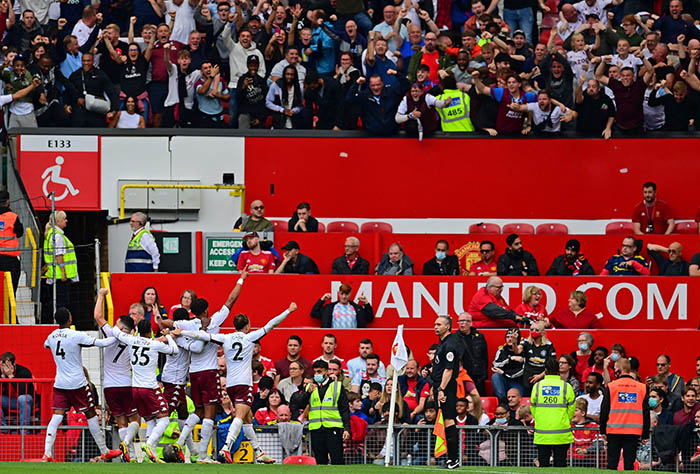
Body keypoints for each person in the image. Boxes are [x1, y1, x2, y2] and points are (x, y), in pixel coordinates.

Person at [176, 302, 296, 463]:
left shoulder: (225, 338)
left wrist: (181, 332)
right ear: (247, 326)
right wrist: (288, 310)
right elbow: (271, 324)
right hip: (244, 384)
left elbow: (203, 336)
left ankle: (259, 452)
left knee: (247, 418)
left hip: (230, 385)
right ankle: (226, 447)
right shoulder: (250, 337)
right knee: (239, 416)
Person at [163, 275, 247, 464]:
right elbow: (231, 300)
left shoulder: (188, 323)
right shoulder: (215, 320)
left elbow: (167, 323)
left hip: (194, 373)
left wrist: (169, 328)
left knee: (198, 412)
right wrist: (241, 279)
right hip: (209, 372)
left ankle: (180, 442)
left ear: (191, 311)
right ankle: (202, 455)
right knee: (209, 414)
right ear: (207, 310)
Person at [42, 307, 122, 462]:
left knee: (56, 416)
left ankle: (47, 453)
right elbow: (101, 343)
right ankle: (104, 451)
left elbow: (46, 345)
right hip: (78, 383)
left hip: (60, 383)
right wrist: (118, 335)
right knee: (91, 414)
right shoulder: (75, 335)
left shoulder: (51, 336)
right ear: (70, 319)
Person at [109, 316, 179, 463]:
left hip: (135, 389)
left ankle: (141, 450)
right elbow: (174, 350)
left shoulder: (130, 340)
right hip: (150, 388)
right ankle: (149, 444)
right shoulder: (153, 343)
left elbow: (117, 332)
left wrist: (117, 327)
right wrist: (167, 335)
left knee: (151, 419)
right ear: (150, 332)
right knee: (164, 419)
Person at [92, 289, 141, 462]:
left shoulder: (112, 333)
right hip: (126, 384)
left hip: (110, 387)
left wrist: (101, 296)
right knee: (135, 418)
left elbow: (98, 316)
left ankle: (130, 454)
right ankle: (129, 449)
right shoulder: (134, 339)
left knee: (121, 421)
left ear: (120, 327)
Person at [599, 357, 650, 471]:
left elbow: (604, 411)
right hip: (633, 431)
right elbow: (646, 412)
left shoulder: (612, 387)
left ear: (619, 369)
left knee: (612, 464)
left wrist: (603, 430)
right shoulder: (641, 387)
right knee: (629, 464)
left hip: (614, 430)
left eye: (615, 369)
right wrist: (645, 433)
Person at [298, 360, 351, 464]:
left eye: (319, 372)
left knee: (337, 460)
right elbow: (298, 404)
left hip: (333, 427)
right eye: (315, 372)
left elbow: (344, 409)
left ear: (327, 371)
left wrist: (347, 428)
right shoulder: (309, 387)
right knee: (320, 461)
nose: (317, 374)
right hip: (316, 429)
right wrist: (307, 393)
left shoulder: (337, 386)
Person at [530, 357, 576, 467]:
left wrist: (541, 419)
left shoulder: (538, 386)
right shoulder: (566, 386)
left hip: (542, 433)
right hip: (561, 433)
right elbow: (571, 409)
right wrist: (565, 419)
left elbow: (533, 407)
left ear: (545, 370)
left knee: (543, 466)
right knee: (560, 465)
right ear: (558, 370)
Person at [432, 315, 463, 469]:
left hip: (447, 387)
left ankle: (453, 459)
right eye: (435, 324)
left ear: (447, 326)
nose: (435, 327)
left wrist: (441, 389)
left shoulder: (450, 344)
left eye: (439, 324)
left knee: (449, 420)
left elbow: (449, 370)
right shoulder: (442, 343)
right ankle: (450, 459)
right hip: (440, 385)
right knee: (444, 421)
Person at [43, 210, 77, 319]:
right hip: (60, 277)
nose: (66, 221)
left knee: (56, 303)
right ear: (58, 221)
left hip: (54, 275)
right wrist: (63, 273)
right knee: (62, 304)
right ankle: (61, 324)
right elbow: (59, 255)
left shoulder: (50, 235)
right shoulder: (58, 236)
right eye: (64, 219)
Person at [456, 312, 489, 395]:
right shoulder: (454, 338)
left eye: (464, 321)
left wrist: (484, 375)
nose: (462, 323)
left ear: (470, 323)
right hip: (463, 376)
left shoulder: (479, 337)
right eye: (460, 321)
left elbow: (485, 357)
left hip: (478, 376)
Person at [0, 351, 34, 430]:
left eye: (8, 365)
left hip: (26, 401)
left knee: (22, 398)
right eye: (3, 365)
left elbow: (22, 392)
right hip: (10, 401)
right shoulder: (1, 372)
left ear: (14, 363)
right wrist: (3, 378)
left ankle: (24, 431)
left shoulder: (24, 372)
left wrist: (11, 377)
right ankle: (3, 430)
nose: (6, 368)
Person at [491, 327, 525, 403]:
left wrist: (504, 372)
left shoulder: (523, 351)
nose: (510, 339)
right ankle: (503, 404)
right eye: (508, 337)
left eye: (512, 337)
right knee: (495, 376)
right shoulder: (502, 350)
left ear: (517, 338)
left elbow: (522, 370)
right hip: (504, 380)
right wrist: (511, 359)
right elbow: (495, 365)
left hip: (517, 381)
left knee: (518, 396)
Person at [522, 321, 557, 396]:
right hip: (528, 377)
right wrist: (515, 343)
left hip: (543, 377)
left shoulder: (548, 345)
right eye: (531, 329)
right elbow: (518, 350)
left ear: (543, 332)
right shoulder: (526, 342)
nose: (533, 332)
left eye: (537, 330)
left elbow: (551, 366)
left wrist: (540, 376)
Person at [0, 191, 23, 294]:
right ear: (8, 201)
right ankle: (8, 309)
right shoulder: (12, 217)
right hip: (10, 259)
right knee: (10, 291)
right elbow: (20, 232)